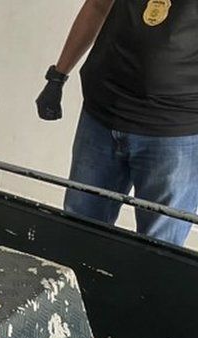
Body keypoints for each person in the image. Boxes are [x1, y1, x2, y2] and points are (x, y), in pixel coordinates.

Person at [37, 0, 198, 246]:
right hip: (101, 115)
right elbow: (97, 6)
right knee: (79, 235)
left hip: (176, 132)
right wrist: (57, 76)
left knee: (158, 251)